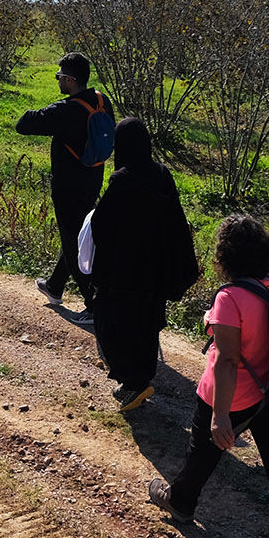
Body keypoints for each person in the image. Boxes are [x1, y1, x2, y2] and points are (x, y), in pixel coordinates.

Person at [147, 215, 269, 538]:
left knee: (203, 449)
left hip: (235, 394)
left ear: (226, 257)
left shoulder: (230, 297)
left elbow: (227, 361)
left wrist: (221, 414)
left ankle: (180, 502)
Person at [86, 118, 200, 411]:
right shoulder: (162, 175)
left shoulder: (122, 182)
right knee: (146, 326)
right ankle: (139, 381)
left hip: (124, 273)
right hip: (156, 272)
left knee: (110, 323)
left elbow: (101, 226)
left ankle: (132, 382)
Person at [15, 52, 114, 325]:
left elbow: (23, 124)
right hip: (94, 177)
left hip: (68, 185)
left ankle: (93, 304)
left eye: (59, 77)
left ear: (70, 80)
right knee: (78, 235)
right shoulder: (103, 101)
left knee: (72, 240)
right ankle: (55, 285)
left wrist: (53, 109)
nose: (57, 80)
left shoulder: (65, 111)